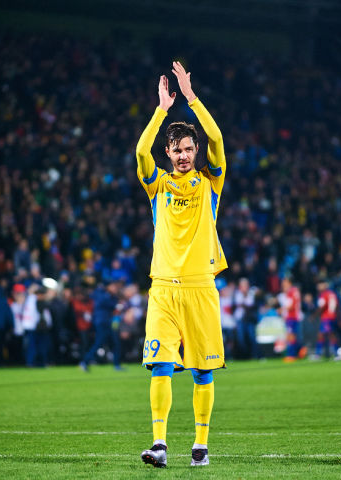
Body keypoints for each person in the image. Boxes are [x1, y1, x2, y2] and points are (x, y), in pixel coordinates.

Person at [137, 62, 227, 468]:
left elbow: (218, 138)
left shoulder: (210, 183)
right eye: (177, 150)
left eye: (190, 149)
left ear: (195, 151)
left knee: (202, 372)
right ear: (169, 154)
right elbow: (141, 152)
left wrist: (190, 98)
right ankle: (159, 444)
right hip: (163, 289)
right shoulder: (157, 185)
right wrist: (161, 110)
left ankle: (200, 446)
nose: (185, 155)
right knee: (160, 364)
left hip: (201, 287)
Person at [79, 280, 122, 371]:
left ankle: (117, 365)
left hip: (110, 322)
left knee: (115, 343)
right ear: (107, 287)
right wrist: (116, 305)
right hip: (102, 322)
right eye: (113, 286)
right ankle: (84, 362)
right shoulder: (101, 294)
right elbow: (106, 304)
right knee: (99, 343)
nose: (115, 288)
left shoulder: (112, 296)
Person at [279, 277, 305, 362]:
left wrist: (281, 310)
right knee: (293, 335)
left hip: (292, 317)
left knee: (290, 336)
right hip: (294, 317)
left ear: (289, 283)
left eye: (284, 282)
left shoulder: (291, 292)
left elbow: (291, 306)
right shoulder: (295, 291)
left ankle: (291, 355)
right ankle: (300, 350)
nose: (283, 284)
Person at [315, 280, 340, 359]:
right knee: (329, 334)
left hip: (327, 318)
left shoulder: (324, 294)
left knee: (325, 335)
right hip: (332, 317)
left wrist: (314, 315)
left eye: (320, 285)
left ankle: (320, 354)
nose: (319, 287)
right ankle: (335, 352)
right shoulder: (332, 294)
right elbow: (337, 306)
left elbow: (322, 307)